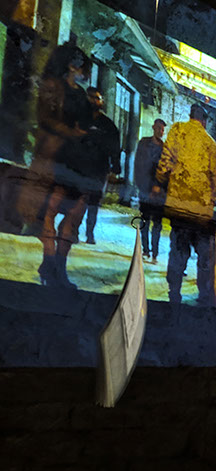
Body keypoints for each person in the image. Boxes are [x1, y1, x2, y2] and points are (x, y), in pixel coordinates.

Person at [15, 43, 92, 289]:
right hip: (54, 157)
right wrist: (72, 133)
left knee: (72, 215)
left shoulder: (81, 94)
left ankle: (57, 267)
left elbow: (86, 124)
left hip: (76, 161)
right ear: (71, 65)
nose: (84, 72)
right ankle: (51, 265)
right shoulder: (51, 86)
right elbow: (46, 120)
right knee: (48, 213)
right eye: (82, 67)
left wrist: (83, 135)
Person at [153, 103, 216, 306]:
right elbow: (215, 177)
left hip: (179, 206)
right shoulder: (209, 142)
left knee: (178, 250)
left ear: (190, 115)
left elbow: (164, 164)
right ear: (204, 121)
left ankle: (174, 292)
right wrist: (213, 199)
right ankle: (203, 294)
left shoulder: (177, 131)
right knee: (204, 254)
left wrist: (161, 181)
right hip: (201, 211)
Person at [80, 87, 122, 245]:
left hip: (99, 168)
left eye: (97, 98)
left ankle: (89, 233)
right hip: (79, 165)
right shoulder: (80, 120)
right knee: (78, 199)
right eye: (90, 97)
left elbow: (115, 148)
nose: (93, 101)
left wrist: (115, 168)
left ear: (102, 102)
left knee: (93, 201)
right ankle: (72, 229)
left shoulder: (108, 125)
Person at [133, 118, 167, 263]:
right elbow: (138, 164)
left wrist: (160, 186)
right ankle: (145, 249)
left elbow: (166, 170)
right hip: (145, 188)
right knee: (145, 220)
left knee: (157, 224)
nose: (160, 131)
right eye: (158, 128)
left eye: (162, 129)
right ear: (153, 127)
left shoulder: (165, 149)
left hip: (159, 192)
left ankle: (155, 253)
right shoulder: (144, 143)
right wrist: (140, 184)